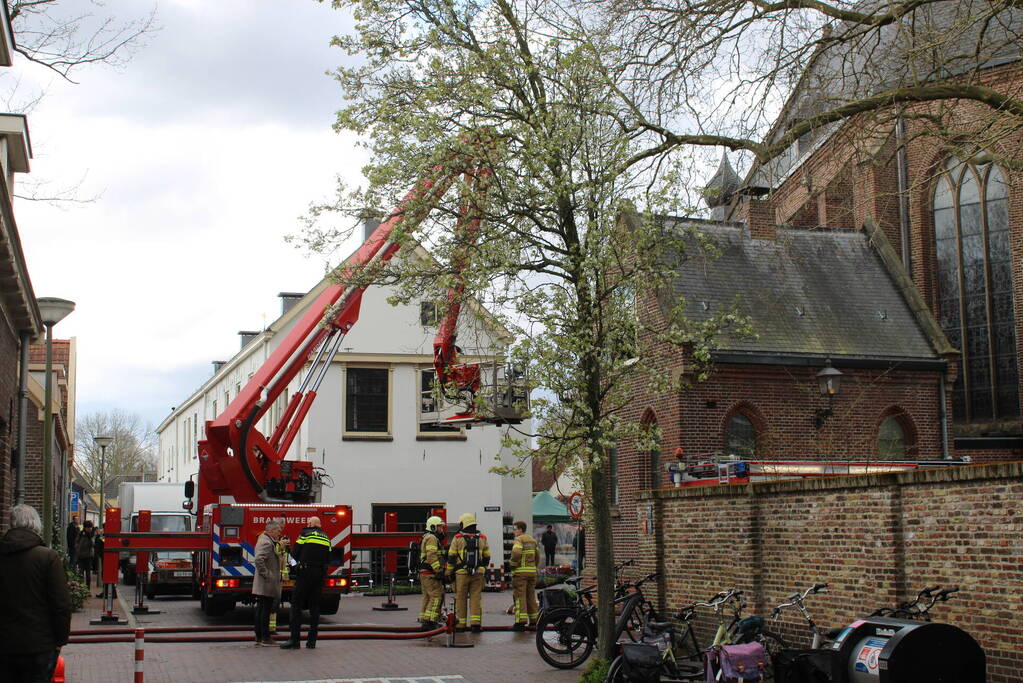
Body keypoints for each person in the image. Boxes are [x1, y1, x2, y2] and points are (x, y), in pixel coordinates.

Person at [0, 504, 72, 683]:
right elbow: (61, 605)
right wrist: (59, 641)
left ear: (11, 524)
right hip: (39, 646)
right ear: (36, 525)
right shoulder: (47, 558)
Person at [280, 516, 331, 650]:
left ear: (310, 524)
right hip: (319, 575)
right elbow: (328, 558)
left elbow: (295, 555)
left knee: (296, 605)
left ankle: (294, 640)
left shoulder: (305, 534)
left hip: (304, 574)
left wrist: (290, 561)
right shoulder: (326, 538)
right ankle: (312, 641)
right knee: (314, 608)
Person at [446, 512, 490, 633]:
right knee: (476, 598)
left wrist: (448, 572)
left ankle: (461, 625)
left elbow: (451, 556)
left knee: (461, 598)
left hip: (461, 573)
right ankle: (476, 624)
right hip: (478, 573)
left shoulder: (458, 538)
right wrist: (482, 569)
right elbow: (487, 556)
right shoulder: (482, 537)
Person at [253, 518, 286, 647]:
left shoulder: (267, 540)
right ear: (271, 531)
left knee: (261, 609)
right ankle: (265, 637)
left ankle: (259, 637)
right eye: (278, 530)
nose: (279, 533)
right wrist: (267, 575)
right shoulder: (267, 542)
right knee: (264, 610)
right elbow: (259, 559)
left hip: (264, 582)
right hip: (266, 582)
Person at [417, 515, 446, 631]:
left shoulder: (427, 537)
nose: (442, 530)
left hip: (425, 573)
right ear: (433, 527)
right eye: (440, 527)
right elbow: (431, 555)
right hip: (430, 573)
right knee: (436, 597)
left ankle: (424, 619)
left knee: (427, 597)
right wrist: (438, 570)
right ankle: (431, 621)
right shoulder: (432, 538)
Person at [509, 520, 538, 630]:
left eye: (515, 529)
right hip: (532, 573)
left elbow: (516, 553)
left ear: (520, 529)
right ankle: (534, 620)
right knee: (531, 597)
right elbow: (537, 556)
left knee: (520, 596)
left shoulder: (519, 539)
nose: (514, 531)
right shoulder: (532, 540)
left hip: (520, 573)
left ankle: (520, 622)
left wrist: (512, 565)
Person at [75, 520, 95, 588]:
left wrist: (90, 538)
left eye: (90, 527)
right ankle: (81, 588)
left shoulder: (92, 535)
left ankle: (87, 589)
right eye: (88, 527)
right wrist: (77, 550)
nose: (90, 529)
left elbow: (93, 544)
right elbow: (77, 543)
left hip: (88, 557)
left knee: (88, 574)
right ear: (85, 527)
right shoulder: (81, 534)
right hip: (81, 556)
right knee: (81, 573)